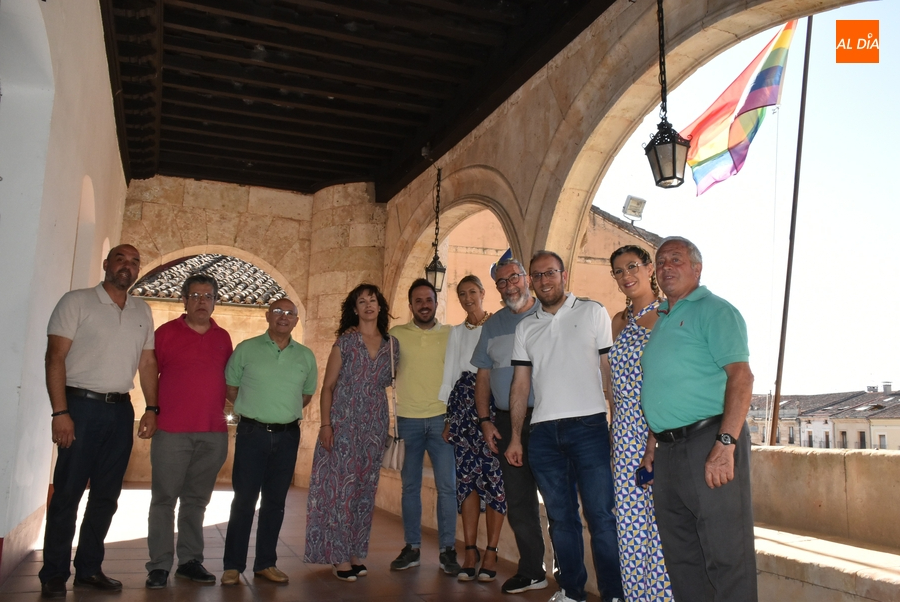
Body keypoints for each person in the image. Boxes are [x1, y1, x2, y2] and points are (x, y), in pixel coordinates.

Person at [640, 237, 756, 602]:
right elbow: (663, 387)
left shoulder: (715, 310)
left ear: (697, 268)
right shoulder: (662, 319)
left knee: (726, 554)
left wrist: (725, 445)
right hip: (669, 451)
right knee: (682, 556)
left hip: (709, 440)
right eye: (660, 262)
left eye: (676, 259)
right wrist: (652, 445)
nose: (666, 267)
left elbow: (742, 377)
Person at [39, 244, 158, 598]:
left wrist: (152, 407)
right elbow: (54, 358)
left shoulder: (142, 310)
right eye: (121, 258)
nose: (127, 265)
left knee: (107, 496)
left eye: (134, 262)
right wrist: (60, 413)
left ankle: (89, 568)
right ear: (107, 264)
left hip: (121, 412)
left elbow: (148, 363)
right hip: (80, 407)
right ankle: (54, 573)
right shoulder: (75, 302)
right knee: (68, 494)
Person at [506, 250, 624, 602]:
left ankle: (614, 594)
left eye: (550, 273)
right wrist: (516, 436)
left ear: (564, 275)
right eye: (537, 276)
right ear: (531, 281)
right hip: (542, 434)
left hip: (589, 428)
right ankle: (572, 591)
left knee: (601, 517)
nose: (544, 281)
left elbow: (608, 371)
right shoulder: (525, 327)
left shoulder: (592, 311)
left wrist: (614, 424)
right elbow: (520, 385)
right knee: (560, 519)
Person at [304, 284, 399, 581]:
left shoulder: (392, 345)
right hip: (343, 423)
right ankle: (338, 556)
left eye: (373, 300)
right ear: (354, 309)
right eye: (362, 301)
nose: (368, 305)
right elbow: (328, 387)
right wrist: (326, 425)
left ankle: (356, 552)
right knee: (339, 491)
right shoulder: (344, 343)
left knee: (363, 490)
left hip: (374, 424)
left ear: (380, 306)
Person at [144, 274, 233, 589]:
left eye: (207, 296)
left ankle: (190, 561)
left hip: (213, 433)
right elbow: (149, 373)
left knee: (197, 500)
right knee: (164, 499)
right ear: (183, 299)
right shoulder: (165, 333)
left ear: (214, 301)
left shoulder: (223, 338)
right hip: (171, 431)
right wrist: (151, 410)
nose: (201, 301)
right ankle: (159, 565)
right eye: (195, 295)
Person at [220, 298, 317, 586]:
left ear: (296, 320)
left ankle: (266, 563)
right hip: (252, 434)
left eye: (290, 313)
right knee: (244, 501)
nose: (283, 317)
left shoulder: (305, 356)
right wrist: (258, 412)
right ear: (267, 316)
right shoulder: (246, 349)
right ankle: (232, 566)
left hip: (287, 436)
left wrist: (279, 415)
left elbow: (307, 395)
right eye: (278, 312)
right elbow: (231, 389)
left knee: (275, 503)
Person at [471, 258, 549, 595]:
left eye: (513, 278)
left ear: (527, 279)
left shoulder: (549, 315)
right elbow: (483, 376)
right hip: (505, 422)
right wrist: (485, 421)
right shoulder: (493, 325)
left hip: (548, 418)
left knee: (558, 499)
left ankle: (569, 574)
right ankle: (533, 571)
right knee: (518, 501)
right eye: (501, 282)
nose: (508, 286)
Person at [607, 245, 672, 602]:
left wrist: (654, 441)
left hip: (654, 431)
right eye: (618, 270)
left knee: (658, 525)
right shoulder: (618, 321)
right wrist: (614, 432)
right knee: (629, 526)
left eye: (632, 266)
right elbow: (613, 387)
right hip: (623, 435)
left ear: (649, 269)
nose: (626, 275)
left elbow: (662, 382)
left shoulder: (665, 316)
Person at [388, 278, 460, 575]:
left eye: (428, 300)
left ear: (436, 302)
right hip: (408, 420)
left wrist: (453, 418)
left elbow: (459, 376)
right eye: (418, 301)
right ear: (411, 306)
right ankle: (412, 547)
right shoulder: (396, 334)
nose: (424, 305)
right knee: (410, 488)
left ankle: (447, 550)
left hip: (443, 420)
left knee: (447, 488)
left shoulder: (451, 335)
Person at [439, 275, 505, 582]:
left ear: (483, 293)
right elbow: (451, 374)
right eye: (462, 294)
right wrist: (449, 419)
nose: (468, 298)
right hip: (463, 408)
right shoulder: (456, 333)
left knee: (494, 479)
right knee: (466, 481)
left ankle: (491, 550)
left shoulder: (497, 326)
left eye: (473, 292)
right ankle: (469, 549)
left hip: (494, 402)